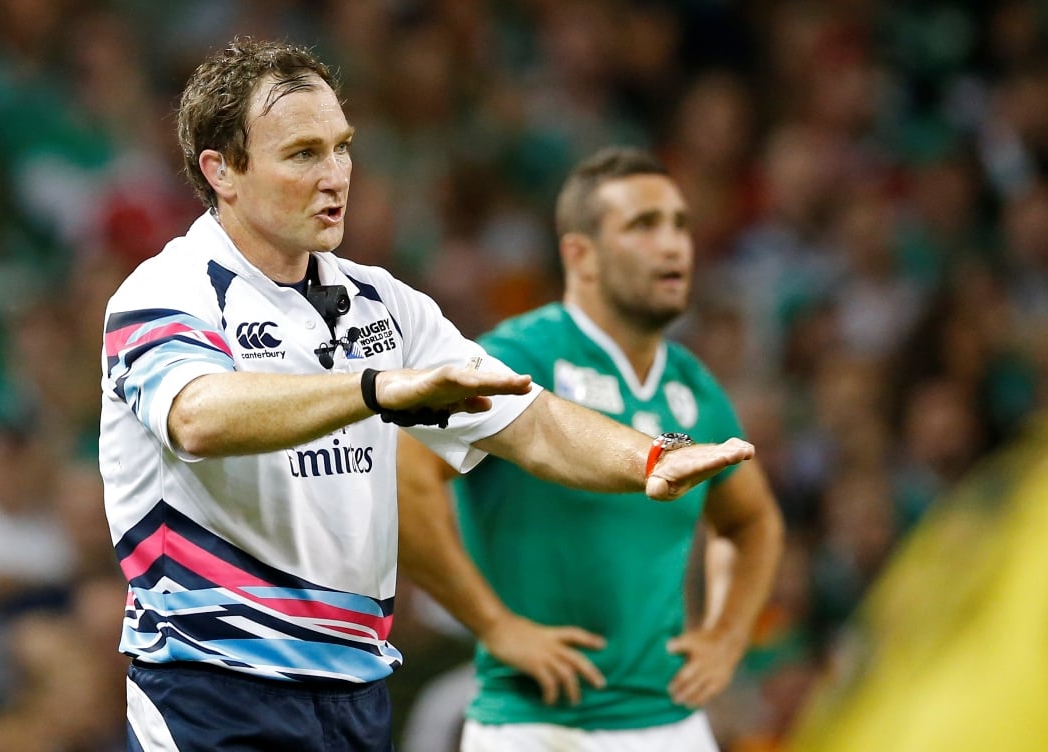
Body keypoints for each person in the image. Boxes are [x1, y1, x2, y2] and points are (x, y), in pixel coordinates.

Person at [99, 38, 754, 752]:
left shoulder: (385, 305)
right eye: (303, 154)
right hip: (211, 690)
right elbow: (196, 416)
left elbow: (525, 420)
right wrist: (378, 390)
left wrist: (646, 458)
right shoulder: (168, 293)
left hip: (353, 694)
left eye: (342, 147)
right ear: (221, 171)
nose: (336, 176)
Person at [397, 147, 784, 751]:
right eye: (643, 225)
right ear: (580, 254)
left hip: (672, 723)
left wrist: (726, 637)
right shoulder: (519, 356)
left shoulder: (692, 386)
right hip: (533, 723)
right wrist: (494, 626)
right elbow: (405, 476)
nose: (674, 244)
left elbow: (751, 520)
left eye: (680, 224)